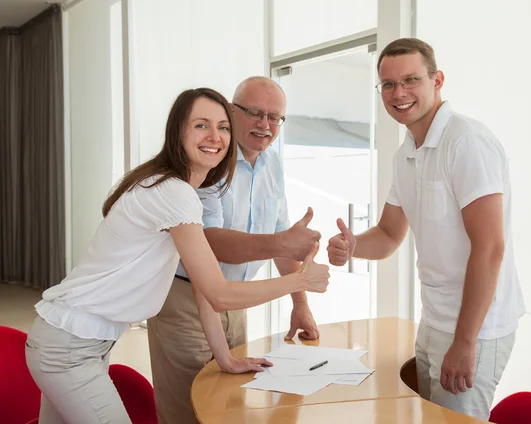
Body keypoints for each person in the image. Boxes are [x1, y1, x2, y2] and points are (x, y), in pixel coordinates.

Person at [25, 87, 330, 424]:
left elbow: (204, 286)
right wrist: (299, 280)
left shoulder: (176, 190)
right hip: (70, 347)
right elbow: (220, 293)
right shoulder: (174, 192)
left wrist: (224, 358)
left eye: (222, 127)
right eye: (201, 125)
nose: (215, 136)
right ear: (178, 132)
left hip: (72, 341)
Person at [327, 38, 525, 420]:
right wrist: (353, 246)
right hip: (434, 319)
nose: (398, 93)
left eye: (410, 80)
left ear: (437, 81)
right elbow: (387, 235)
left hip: (477, 328)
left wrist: (465, 341)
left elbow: (490, 247)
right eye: (388, 84)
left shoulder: (466, 142)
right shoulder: (406, 154)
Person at [147, 76, 322, 424]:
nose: (265, 124)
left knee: (229, 405)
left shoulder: (272, 163)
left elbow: (280, 233)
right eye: (255, 113)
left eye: (275, 117)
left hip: (236, 302)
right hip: (184, 299)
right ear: (232, 111)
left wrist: (300, 305)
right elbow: (211, 241)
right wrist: (283, 244)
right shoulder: (208, 162)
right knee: (190, 408)